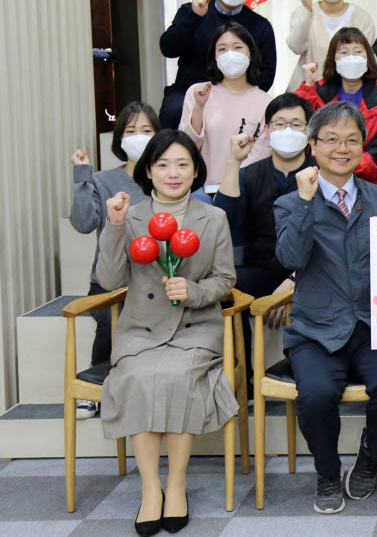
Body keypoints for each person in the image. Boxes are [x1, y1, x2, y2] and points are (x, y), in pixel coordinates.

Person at [274, 102, 377, 515]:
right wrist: (304, 201)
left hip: (373, 325)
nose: (342, 147)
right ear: (312, 146)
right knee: (315, 395)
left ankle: (371, 455)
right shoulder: (290, 202)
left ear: (363, 147)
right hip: (316, 330)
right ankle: (328, 473)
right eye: (331, 139)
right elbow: (291, 259)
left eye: (352, 139)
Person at [97, 129, 237, 535]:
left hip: (195, 328)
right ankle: (151, 490)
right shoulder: (131, 215)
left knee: (176, 377)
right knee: (139, 377)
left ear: (196, 172)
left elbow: (226, 279)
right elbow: (108, 281)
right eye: (162, 165)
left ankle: (176, 486)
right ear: (148, 171)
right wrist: (115, 227)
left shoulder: (213, 218)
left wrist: (193, 291)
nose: (172, 173)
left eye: (182, 164)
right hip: (140, 329)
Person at [213, 93, 316, 385]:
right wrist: (234, 162)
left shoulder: (320, 175)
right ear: (267, 131)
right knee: (227, 288)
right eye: (279, 124)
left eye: (296, 124)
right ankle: (244, 381)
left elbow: (328, 239)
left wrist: (294, 282)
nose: (287, 130)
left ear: (308, 132)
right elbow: (225, 220)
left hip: (309, 270)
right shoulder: (250, 174)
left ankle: (303, 369)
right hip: (261, 268)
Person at [69, 102, 160, 420]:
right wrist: (82, 175)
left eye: (147, 131)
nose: (139, 137)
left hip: (155, 279)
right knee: (110, 321)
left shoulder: (167, 176)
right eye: (130, 131)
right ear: (119, 139)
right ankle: (95, 388)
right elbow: (82, 223)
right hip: (110, 279)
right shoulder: (103, 179)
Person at [160, 0, 277, 128]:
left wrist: (240, 96)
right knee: (174, 109)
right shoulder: (191, 11)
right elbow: (168, 48)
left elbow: (266, 74)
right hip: (190, 91)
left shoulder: (261, 26)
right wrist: (193, 16)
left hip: (239, 95)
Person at [295, 27, 377, 184]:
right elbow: (302, 127)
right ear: (334, 58)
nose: (351, 57)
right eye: (344, 52)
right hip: (323, 177)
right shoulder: (318, 92)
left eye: (358, 51)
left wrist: (344, 165)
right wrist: (308, 86)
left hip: (371, 180)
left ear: (368, 57)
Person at [178, 22, 272, 195]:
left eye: (237, 47)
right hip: (202, 191)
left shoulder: (265, 102)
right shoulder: (198, 92)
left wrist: (231, 186)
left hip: (245, 191)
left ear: (250, 54)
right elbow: (185, 147)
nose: (230, 54)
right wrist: (199, 108)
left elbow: (261, 155)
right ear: (214, 56)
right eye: (222, 49)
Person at [286, 0, 377, 91]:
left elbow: (368, 62)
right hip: (308, 93)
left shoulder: (362, 17)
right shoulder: (303, 12)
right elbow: (296, 47)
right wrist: (308, 11)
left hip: (349, 95)